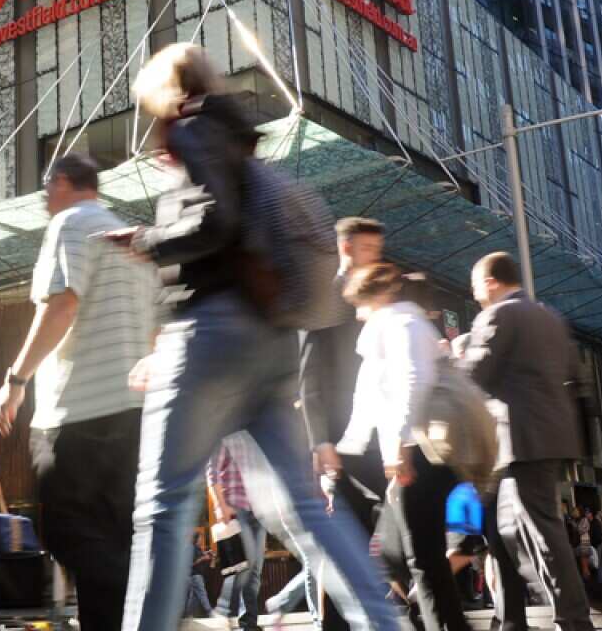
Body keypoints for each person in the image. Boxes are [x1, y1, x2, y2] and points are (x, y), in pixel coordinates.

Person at [114, 43, 398, 631]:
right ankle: (383, 623)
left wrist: (146, 242)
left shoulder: (194, 128)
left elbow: (214, 222)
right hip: (271, 342)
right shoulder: (240, 136)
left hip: (212, 333)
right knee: (300, 505)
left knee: (162, 507)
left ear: (168, 90)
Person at [0, 154, 158, 631]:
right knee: (114, 536)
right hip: (132, 413)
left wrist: (16, 379)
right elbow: (154, 333)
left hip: (77, 410)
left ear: (62, 183)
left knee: (65, 532)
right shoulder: (132, 242)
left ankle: (155, 603)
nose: (45, 198)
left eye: (46, 188)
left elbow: (63, 304)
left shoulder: (70, 222)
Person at [459, 251, 595, 631]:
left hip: (522, 438)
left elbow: (474, 375)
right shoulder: (550, 316)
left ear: (489, 282)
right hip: (546, 436)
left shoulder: (498, 315)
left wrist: (446, 365)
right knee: (510, 528)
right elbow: (573, 376)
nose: (475, 296)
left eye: (475, 288)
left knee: (540, 530)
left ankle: (575, 619)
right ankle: (517, 617)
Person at [340, 263, 468, 631]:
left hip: (420, 453)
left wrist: (399, 445)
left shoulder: (401, 324)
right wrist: (350, 446)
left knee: (422, 558)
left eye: (361, 304)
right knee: (417, 556)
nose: (359, 313)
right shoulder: (389, 330)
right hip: (413, 451)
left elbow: (414, 381)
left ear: (378, 297)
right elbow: (366, 401)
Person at [298, 216, 387, 631]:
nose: (376, 258)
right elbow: (308, 374)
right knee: (346, 538)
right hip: (344, 441)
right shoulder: (327, 297)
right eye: (370, 250)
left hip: (379, 435)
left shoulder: (377, 298)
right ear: (348, 248)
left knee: (384, 530)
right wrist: (321, 441)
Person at [207, 438, 267, 631]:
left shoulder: (256, 436)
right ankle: (241, 620)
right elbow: (212, 471)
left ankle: (246, 622)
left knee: (254, 570)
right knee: (243, 568)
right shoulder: (226, 434)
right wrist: (219, 505)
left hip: (258, 510)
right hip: (235, 509)